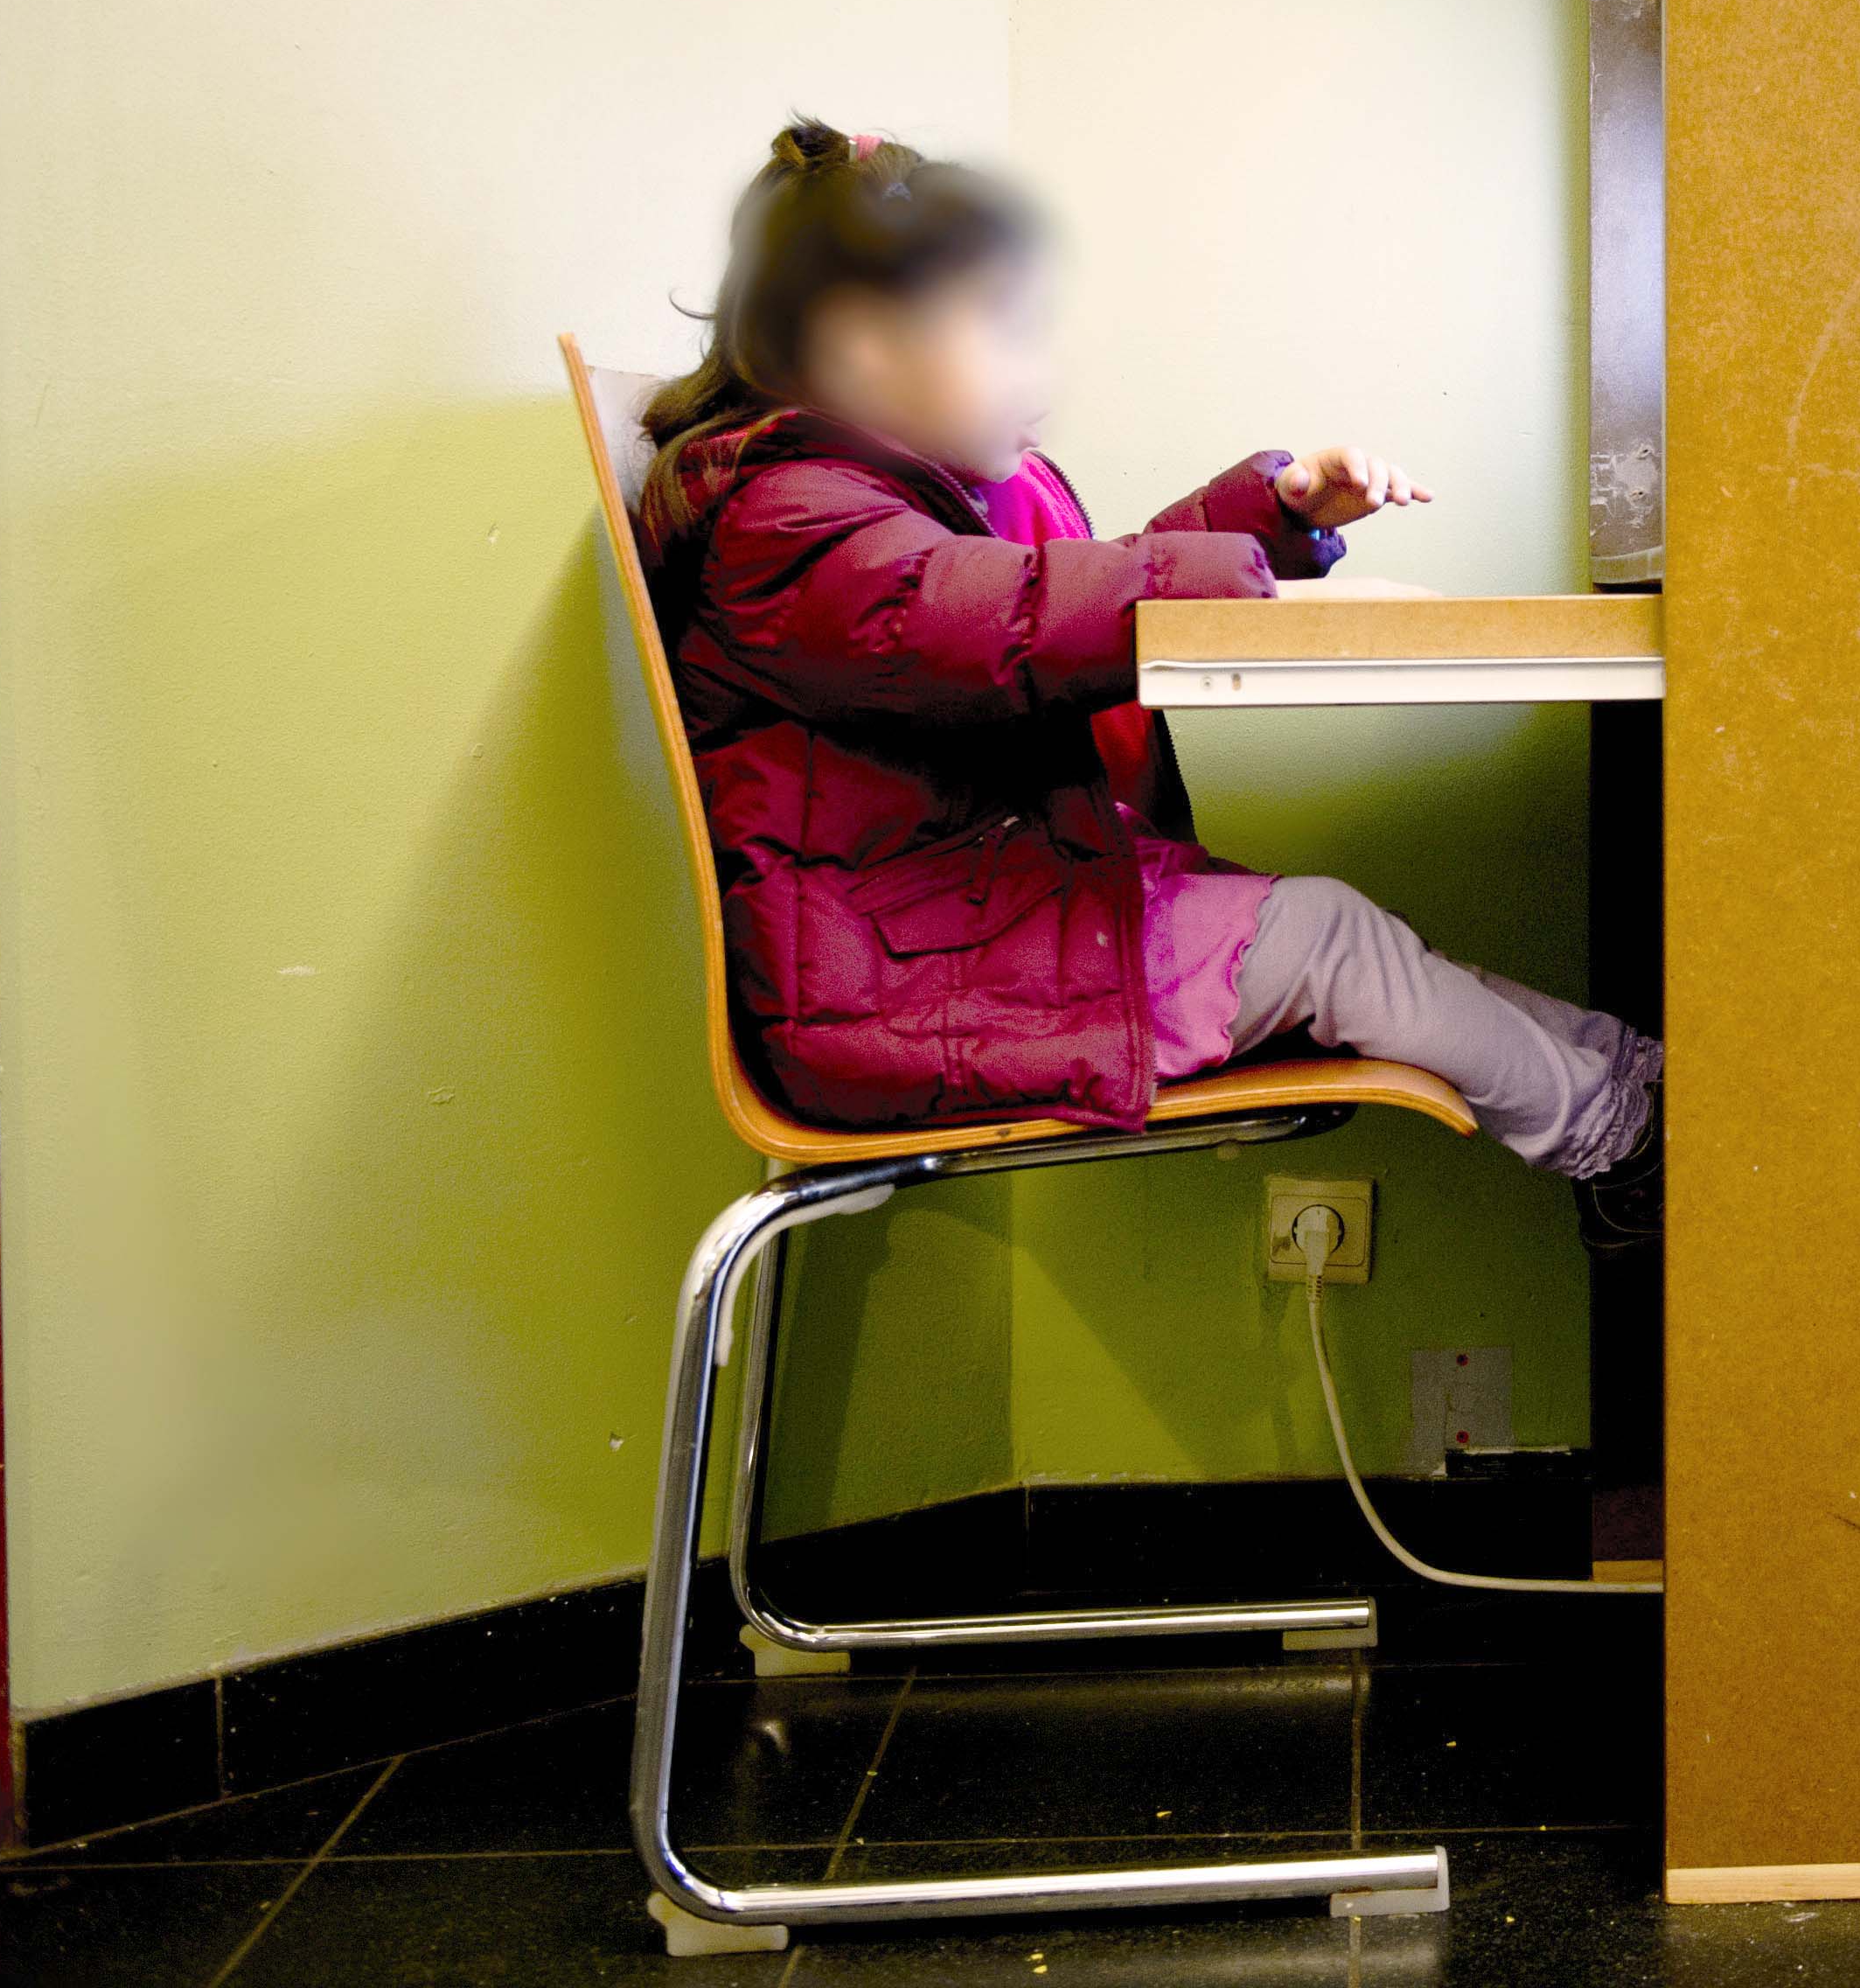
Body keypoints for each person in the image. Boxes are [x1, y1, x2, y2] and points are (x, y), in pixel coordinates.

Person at [635, 120, 1661, 1247]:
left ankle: (1635, 1082)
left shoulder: (866, 515)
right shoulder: (796, 530)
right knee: (1330, 936)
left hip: (959, 945)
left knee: (1348, 937)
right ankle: (1624, 1145)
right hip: (909, 997)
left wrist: (1268, 521)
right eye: (1006, 331)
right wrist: (1249, 588)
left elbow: (1052, 598)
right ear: (861, 348)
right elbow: (1018, 618)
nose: (1042, 376)